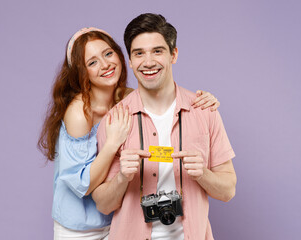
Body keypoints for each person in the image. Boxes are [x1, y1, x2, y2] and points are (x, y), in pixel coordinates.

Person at [38, 27, 221, 239]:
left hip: (117, 220)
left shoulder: (127, 98)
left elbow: (161, 104)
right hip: (80, 227)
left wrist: (204, 100)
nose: (105, 64)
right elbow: (84, 186)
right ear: (81, 71)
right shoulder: (79, 112)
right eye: (92, 62)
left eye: (108, 54)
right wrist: (112, 144)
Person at [92, 13, 237, 240]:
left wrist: (203, 175)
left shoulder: (205, 111)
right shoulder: (114, 120)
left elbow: (228, 191)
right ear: (130, 61)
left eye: (157, 51)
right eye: (139, 53)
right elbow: (103, 204)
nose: (148, 62)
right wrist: (121, 178)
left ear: (174, 54)